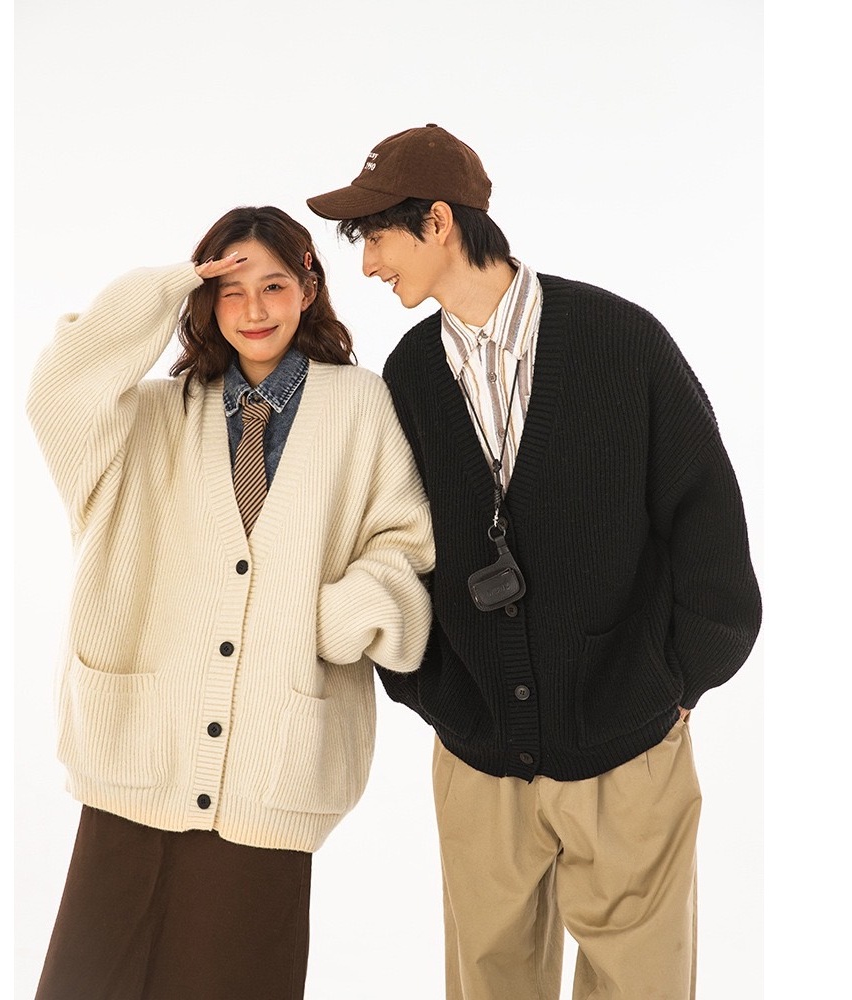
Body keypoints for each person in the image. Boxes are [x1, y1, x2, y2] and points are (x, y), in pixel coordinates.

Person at [307, 125, 762, 999]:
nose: (366, 265)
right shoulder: (409, 377)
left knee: (643, 988)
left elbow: (707, 526)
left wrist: (674, 682)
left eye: (376, 236)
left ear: (439, 222)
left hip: (630, 753)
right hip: (479, 758)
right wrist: (433, 690)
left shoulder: (622, 343)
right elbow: (387, 544)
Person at [26, 205, 434, 1000]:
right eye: (230, 289)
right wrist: (173, 282)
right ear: (204, 300)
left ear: (308, 290)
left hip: (271, 772)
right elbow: (57, 388)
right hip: (135, 759)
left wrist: (333, 617)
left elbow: (406, 546)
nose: (254, 310)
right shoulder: (142, 418)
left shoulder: (359, 406)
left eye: (274, 285)